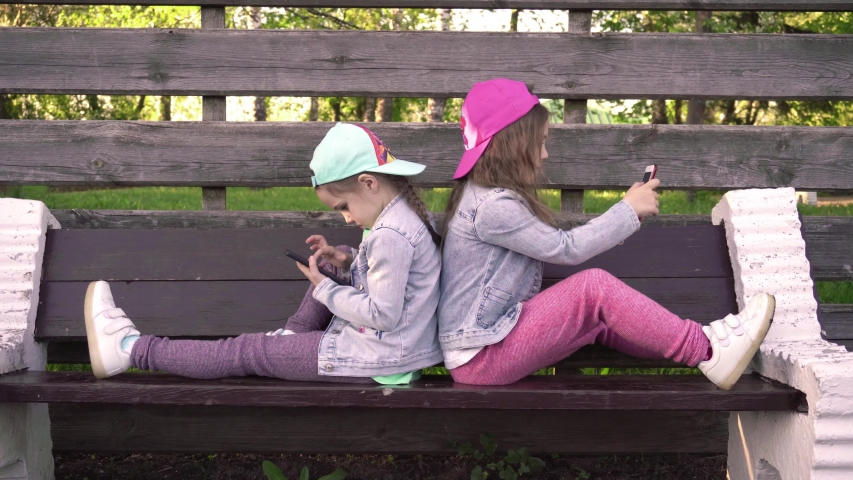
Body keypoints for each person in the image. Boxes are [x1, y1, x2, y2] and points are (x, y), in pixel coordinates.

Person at [438, 78, 774, 390]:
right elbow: (565, 249)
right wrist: (626, 210)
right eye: (538, 143)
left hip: (485, 347)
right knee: (592, 288)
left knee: (603, 321)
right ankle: (710, 351)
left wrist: (630, 211)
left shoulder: (487, 197)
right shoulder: (492, 206)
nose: (544, 154)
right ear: (506, 145)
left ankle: (705, 350)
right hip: (481, 355)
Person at [84, 122, 443, 384]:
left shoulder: (390, 234)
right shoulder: (405, 213)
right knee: (325, 273)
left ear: (369, 182)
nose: (346, 216)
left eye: (343, 206)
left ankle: (130, 349)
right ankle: (289, 342)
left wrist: (324, 288)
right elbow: (392, 278)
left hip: (373, 358)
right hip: (392, 349)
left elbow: (383, 313)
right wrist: (344, 259)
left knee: (243, 352)